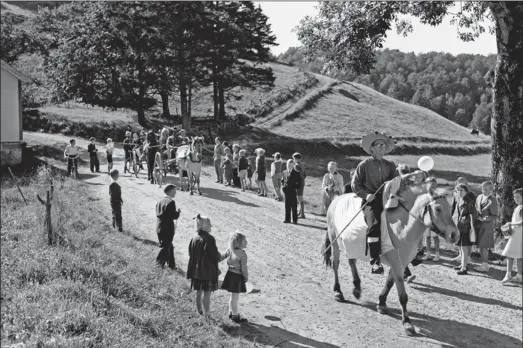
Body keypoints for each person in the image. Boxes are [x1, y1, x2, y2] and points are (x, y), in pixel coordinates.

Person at [351, 132, 397, 274]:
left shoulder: (390, 165)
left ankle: (408, 258)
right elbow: (355, 185)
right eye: (379, 145)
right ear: (372, 149)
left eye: (384, 145)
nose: (382, 147)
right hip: (372, 201)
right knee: (375, 225)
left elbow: (397, 182)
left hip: (389, 200)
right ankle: (375, 261)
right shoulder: (363, 165)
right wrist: (366, 195)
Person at [186, 214, 221, 316]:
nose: (211, 226)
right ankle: (207, 314)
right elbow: (214, 255)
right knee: (207, 293)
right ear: (204, 225)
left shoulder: (194, 238)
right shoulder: (209, 239)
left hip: (196, 270)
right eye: (210, 224)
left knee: (198, 292)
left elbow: (190, 253)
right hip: (207, 270)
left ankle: (199, 312)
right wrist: (221, 256)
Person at [220, 231, 249, 323]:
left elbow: (221, 257)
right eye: (244, 241)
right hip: (237, 277)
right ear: (238, 243)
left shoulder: (230, 250)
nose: (247, 242)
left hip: (230, 274)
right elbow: (244, 267)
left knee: (232, 296)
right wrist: (245, 277)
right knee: (235, 297)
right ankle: (235, 316)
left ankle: (231, 313)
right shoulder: (242, 254)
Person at [454, 183, 478, 275]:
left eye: (461, 190)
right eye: (458, 190)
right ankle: (462, 264)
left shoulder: (469, 201)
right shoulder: (459, 200)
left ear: (466, 191)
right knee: (460, 246)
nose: (459, 192)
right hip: (459, 227)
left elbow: (474, 214)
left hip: (466, 228)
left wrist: (466, 219)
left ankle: (464, 268)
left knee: (464, 248)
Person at [474, 181, 498, 272]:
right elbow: (476, 208)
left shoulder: (493, 200)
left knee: (484, 246)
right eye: (482, 188)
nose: (483, 191)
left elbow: (495, 216)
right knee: (480, 245)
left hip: (487, 226)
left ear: (491, 190)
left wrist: (486, 218)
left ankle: (485, 265)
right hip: (478, 225)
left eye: (486, 189)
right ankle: (484, 264)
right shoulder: (479, 197)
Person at [155, 184, 181, 269]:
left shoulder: (159, 201)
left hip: (159, 226)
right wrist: (178, 213)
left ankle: (171, 264)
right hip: (167, 227)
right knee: (165, 246)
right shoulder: (171, 202)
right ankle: (159, 264)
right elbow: (173, 216)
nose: (175, 193)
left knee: (169, 245)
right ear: (169, 191)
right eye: (174, 191)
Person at [501, 188, 523, 284]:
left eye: (518, 197)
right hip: (514, 234)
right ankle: (508, 274)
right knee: (509, 254)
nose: (516, 199)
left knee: (518, 255)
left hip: (519, 234)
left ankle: (518, 275)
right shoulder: (517, 207)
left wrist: (511, 223)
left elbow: (522, 222)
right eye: (515, 197)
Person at [420, 177, 442, 261]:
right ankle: (428, 253)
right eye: (429, 184)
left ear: (436, 185)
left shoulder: (438, 194)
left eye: (433, 184)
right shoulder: (425, 194)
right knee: (427, 236)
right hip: (426, 219)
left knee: (435, 237)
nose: (431, 186)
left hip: (435, 220)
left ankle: (437, 254)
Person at [450, 177, 471, 262]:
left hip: (466, 219)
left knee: (466, 238)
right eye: (459, 183)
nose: (461, 184)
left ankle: (468, 256)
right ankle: (460, 254)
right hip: (456, 217)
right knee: (458, 237)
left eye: (463, 183)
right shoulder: (455, 194)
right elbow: (453, 205)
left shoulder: (469, 195)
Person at [282, 159, 302, 224]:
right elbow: (282, 180)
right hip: (286, 191)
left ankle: (295, 220)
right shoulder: (284, 172)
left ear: (293, 165)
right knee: (287, 205)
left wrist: (295, 187)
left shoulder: (296, 173)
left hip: (293, 191)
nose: (289, 166)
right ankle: (287, 219)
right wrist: (283, 186)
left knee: (294, 205)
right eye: (288, 165)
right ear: (286, 165)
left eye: (291, 165)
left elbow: (299, 183)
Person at [292, 153, 307, 219]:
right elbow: (305, 175)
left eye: (293, 158)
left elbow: (298, 175)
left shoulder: (296, 166)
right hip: (302, 182)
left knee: (299, 197)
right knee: (300, 197)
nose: (293, 160)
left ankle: (302, 214)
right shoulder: (302, 165)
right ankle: (300, 212)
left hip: (298, 183)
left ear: (296, 159)